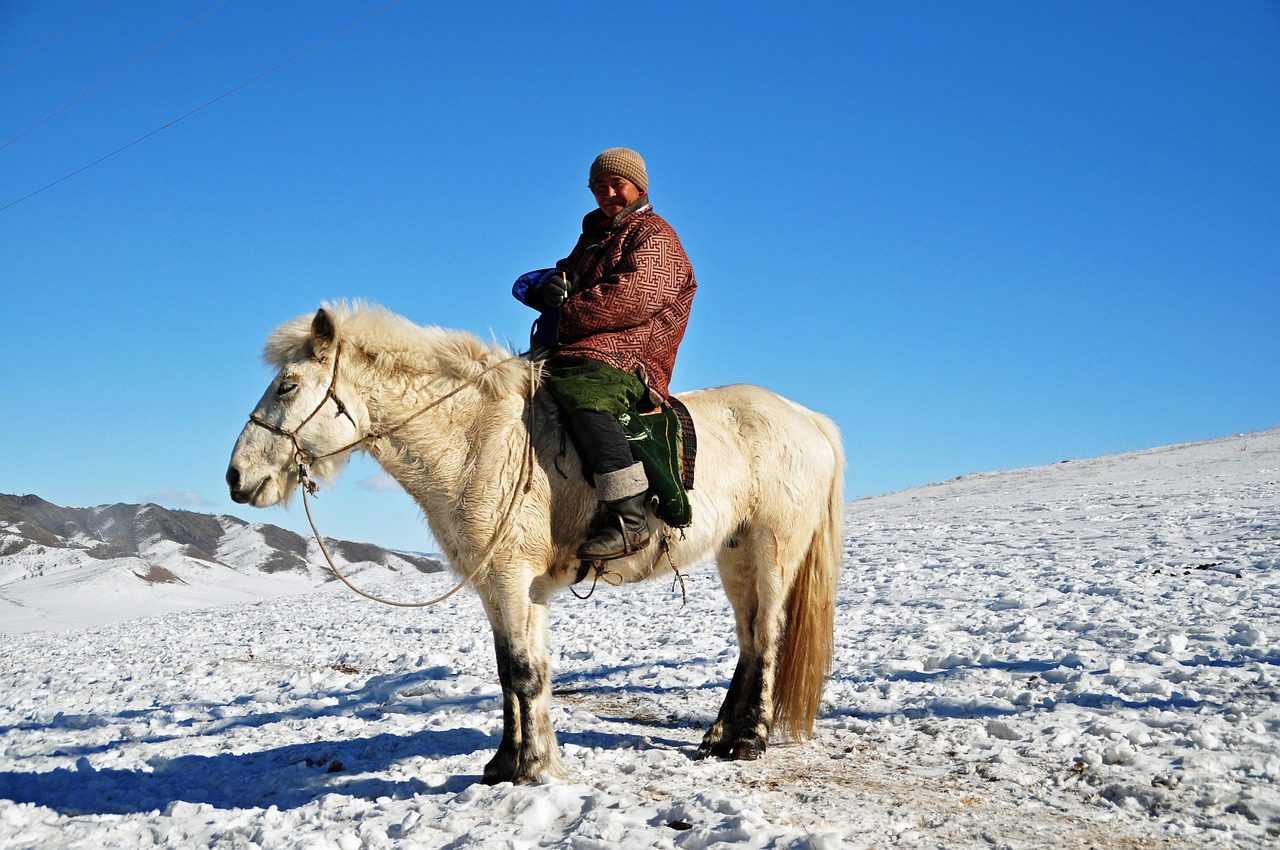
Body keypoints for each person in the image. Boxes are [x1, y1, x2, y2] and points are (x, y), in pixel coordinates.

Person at [513, 147, 697, 562]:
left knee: (584, 391)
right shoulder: (596, 238)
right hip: (585, 345)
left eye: (617, 184)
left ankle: (629, 516)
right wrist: (549, 286)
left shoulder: (656, 235)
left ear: (639, 186)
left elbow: (631, 298)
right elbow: (567, 275)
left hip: (631, 351)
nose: (608, 193)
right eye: (599, 187)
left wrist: (564, 311)